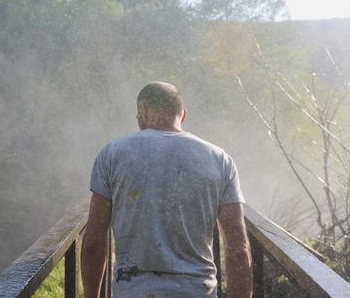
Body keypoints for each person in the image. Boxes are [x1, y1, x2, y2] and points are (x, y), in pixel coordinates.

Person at [81, 82, 252, 298]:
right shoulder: (219, 160)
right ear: (182, 115)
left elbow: (94, 243)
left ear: (142, 109)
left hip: (133, 291)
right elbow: (238, 249)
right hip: (198, 291)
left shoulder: (113, 154)